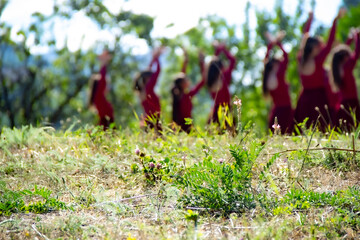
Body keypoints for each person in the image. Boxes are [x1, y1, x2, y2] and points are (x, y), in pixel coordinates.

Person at [294, 9, 346, 132]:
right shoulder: (317, 60)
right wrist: (334, 21)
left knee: (306, 129)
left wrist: (310, 20)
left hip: (304, 99)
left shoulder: (301, 59)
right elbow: (328, 43)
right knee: (320, 129)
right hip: (319, 98)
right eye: (319, 45)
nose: (321, 47)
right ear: (313, 47)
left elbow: (304, 38)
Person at [263, 31, 294, 134]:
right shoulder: (279, 75)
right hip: (286, 111)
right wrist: (278, 43)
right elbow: (286, 55)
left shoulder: (266, 77)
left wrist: (271, 44)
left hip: (276, 112)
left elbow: (266, 60)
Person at [332, 28, 360, 131]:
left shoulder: (337, 69)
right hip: (352, 104)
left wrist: (350, 39)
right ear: (344, 57)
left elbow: (343, 51)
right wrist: (356, 36)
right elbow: (357, 52)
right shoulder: (346, 67)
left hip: (342, 105)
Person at [171, 48, 205, 133]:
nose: (188, 80)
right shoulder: (185, 95)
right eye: (186, 80)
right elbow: (203, 81)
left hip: (182, 127)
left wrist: (186, 60)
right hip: (185, 127)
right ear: (182, 84)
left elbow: (182, 75)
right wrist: (201, 62)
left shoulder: (183, 95)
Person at [207, 41, 236, 128]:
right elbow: (233, 60)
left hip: (216, 112)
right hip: (227, 111)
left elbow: (213, 62)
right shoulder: (224, 77)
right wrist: (223, 49)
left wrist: (218, 50)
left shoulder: (209, 80)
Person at [134, 47, 163, 131]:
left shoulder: (145, 89)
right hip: (153, 121)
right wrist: (157, 58)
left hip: (150, 120)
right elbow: (158, 71)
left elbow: (148, 70)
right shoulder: (148, 88)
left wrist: (154, 58)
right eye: (151, 77)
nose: (154, 79)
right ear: (147, 78)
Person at [89, 50, 114, 130]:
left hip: (106, 127)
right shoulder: (99, 97)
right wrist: (104, 63)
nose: (107, 86)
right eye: (106, 84)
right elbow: (102, 79)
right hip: (105, 128)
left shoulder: (100, 98)